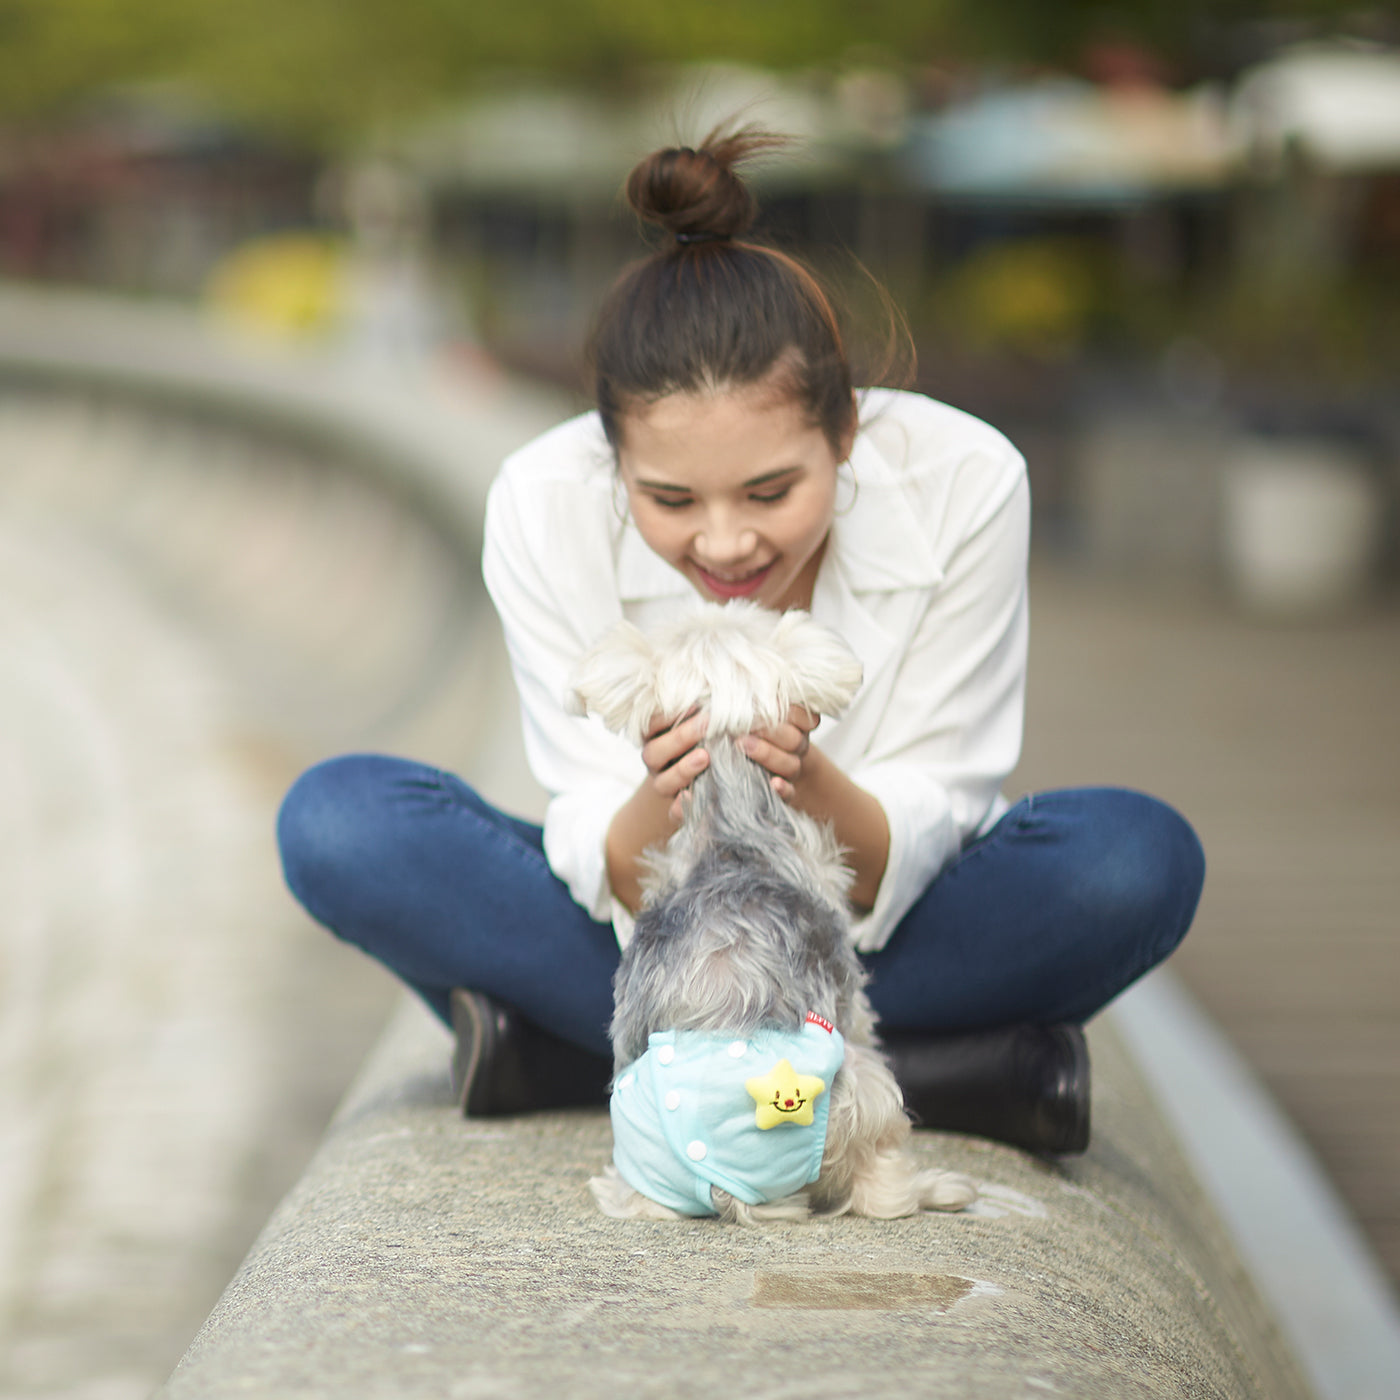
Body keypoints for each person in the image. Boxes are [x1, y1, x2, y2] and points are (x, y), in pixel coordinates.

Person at [276, 128, 1205, 1155]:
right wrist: (655, 799)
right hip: (656, 944)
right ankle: (938, 1074)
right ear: (611, 458)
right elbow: (596, 845)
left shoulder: (965, 479)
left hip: (885, 931)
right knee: (340, 822)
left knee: (1130, 860)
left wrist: (811, 787)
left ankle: (572, 1060)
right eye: (667, 498)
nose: (723, 541)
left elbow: (941, 799)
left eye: (770, 490)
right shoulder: (545, 501)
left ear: (844, 430)